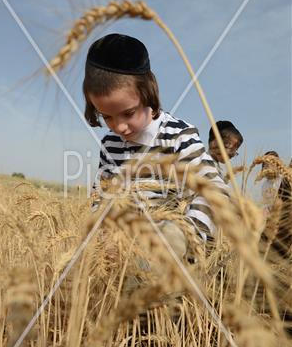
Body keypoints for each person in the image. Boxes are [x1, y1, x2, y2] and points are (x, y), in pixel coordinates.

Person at [83, 33, 228, 262]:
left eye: (128, 113)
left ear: (149, 92)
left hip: (170, 264)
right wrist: (104, 234)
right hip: (124, 260)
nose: (119, 127)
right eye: (106, 116)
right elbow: (101, 196)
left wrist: (181, 238)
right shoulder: (110, 144)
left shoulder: (178, 136)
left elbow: (214, 190)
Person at [260, 151, 282, 217]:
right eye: (265, 165)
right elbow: (266, 203)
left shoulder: (283, 180)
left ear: (278, 165)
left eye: (272, 163)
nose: (268, 167)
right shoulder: (265, 185)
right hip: (272, 217)